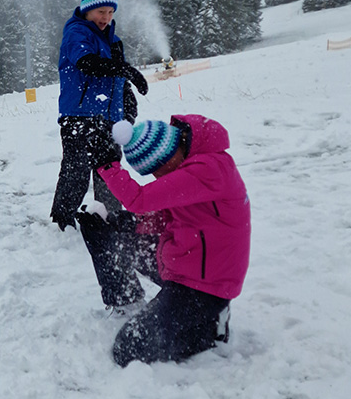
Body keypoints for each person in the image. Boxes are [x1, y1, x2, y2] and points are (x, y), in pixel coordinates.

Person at [77, 115, 251, 366]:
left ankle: (210, 326)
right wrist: (127, 223)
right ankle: (125, 300)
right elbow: (167, 216)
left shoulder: (208, 170)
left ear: (167, 154)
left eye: (157, 170)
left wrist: (107, 166)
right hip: (183, 262)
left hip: (205, 287)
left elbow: (139, 199)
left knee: (128, 349)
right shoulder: (188, 167)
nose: (158, 177)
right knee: (102, 228)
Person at [50, 0, 150, 233]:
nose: (105, 17)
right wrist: (127, 70)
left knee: (111, 172)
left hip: (108, 119)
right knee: (76, 172)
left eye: (110, 12)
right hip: (79, 117)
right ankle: (62, 223)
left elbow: (117, 79)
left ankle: (112, 220)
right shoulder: (76, 33)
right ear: (87, 10)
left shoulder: (114, 42)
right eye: (100, 11)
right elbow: (87, 63)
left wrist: (127, 108)